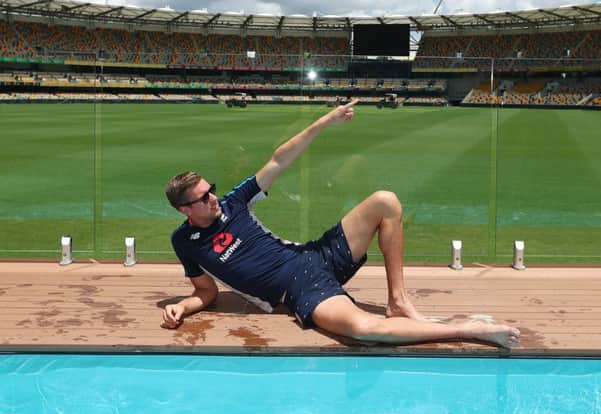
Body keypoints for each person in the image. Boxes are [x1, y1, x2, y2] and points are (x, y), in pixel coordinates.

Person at [162, 100, 520, 349]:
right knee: (364, 329)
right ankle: (471, 330)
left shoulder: (234, 203)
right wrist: (183, 306)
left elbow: (279, 159)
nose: (213, 197)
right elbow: (206, 292)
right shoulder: (186, 242)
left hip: (313, 257)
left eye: (211, 190)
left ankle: (398, 300)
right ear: (185, 210)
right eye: (204, 197)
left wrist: (325, 122)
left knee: (385, 201)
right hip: (299, 290)